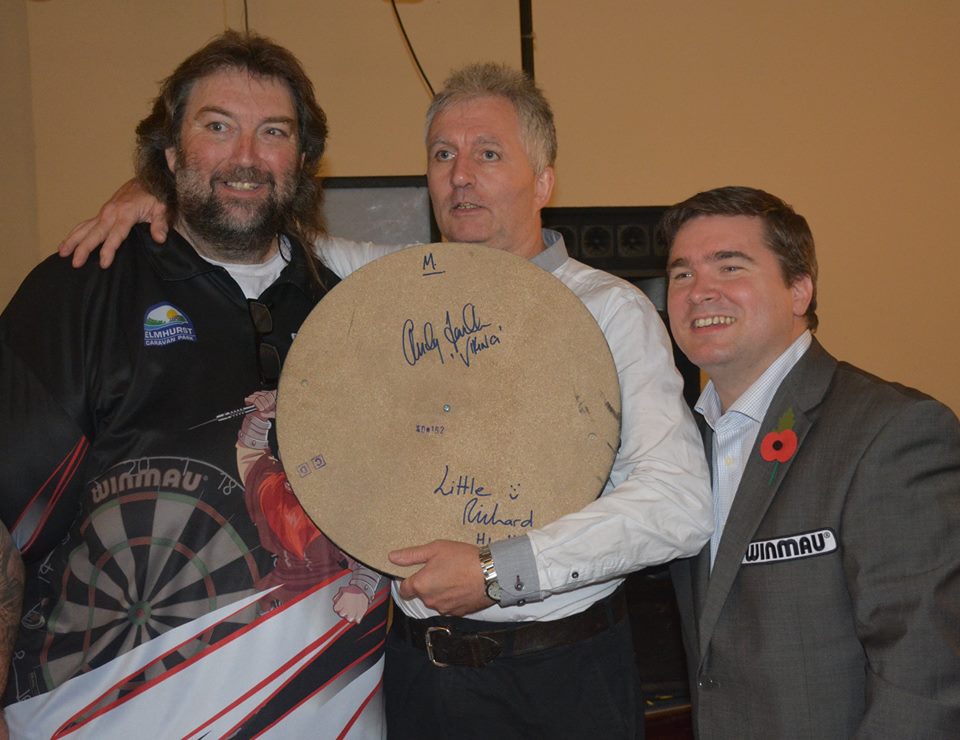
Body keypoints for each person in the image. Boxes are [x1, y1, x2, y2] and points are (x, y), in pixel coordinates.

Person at [59, 63, 713, 739]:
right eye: (443, 155)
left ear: (544, 181)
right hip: (416, 677)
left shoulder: (612, 312)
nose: (461, 176)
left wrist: (498, 571)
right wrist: (157, 189)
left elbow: (678, 504)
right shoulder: (390, 285)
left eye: (489, 154)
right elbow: (252, 227)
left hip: (561, 681)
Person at [0, 32, 390, 738]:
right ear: (171, 154)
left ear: (303, 159)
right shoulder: (79, 292)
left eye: (274, 132)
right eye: (217, 127)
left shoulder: (350, 311)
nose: (246, 157)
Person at [661, 185, 960, 738]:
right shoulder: (673, 444)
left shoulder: (891, 431)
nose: (699, 291)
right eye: (682, 274)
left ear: (799, 290)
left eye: (730, 266)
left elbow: (925, 675)